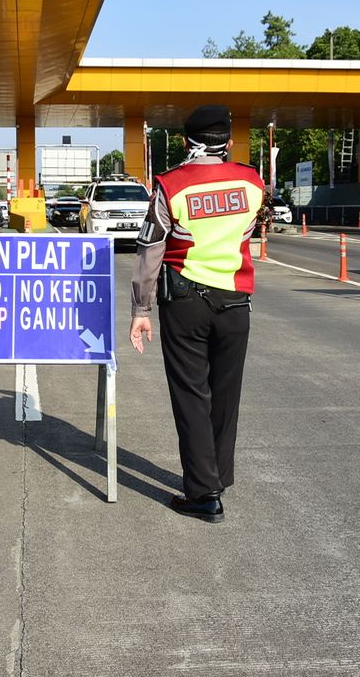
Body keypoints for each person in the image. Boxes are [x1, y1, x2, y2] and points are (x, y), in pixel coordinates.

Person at [129, 105, 265, 523]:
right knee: (225, 396)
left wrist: (141, 309)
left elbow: (151, 249)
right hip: (235, 302)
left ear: (188, 142)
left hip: (185, 302)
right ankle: (218, 478)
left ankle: (204, 494)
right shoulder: (252, 181)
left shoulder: (171, 185)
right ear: (227, 141)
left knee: (191, 395)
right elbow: (252, 229)